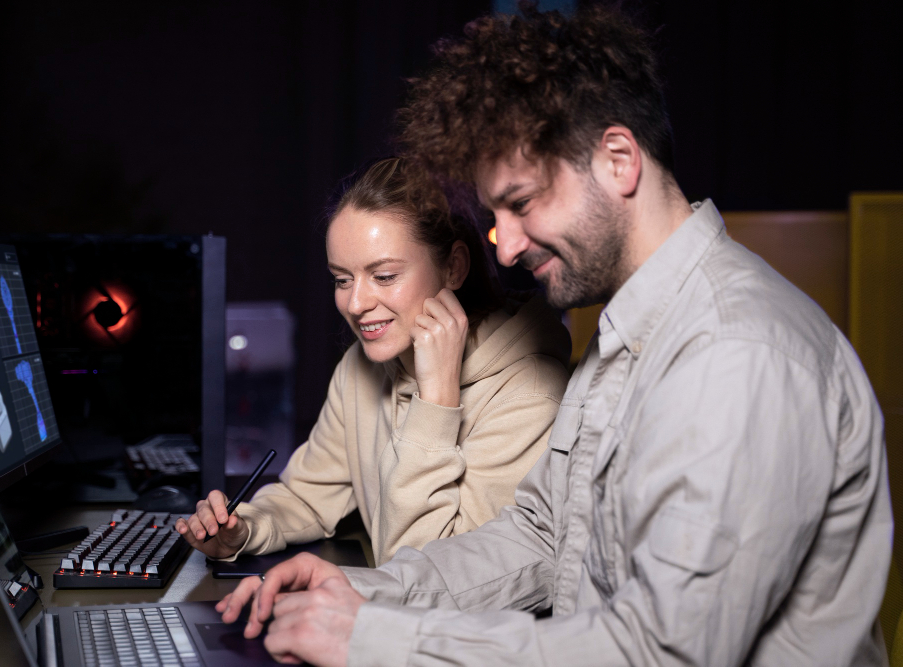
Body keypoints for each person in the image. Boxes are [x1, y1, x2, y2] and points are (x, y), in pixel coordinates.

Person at [214, 5, 893, 666]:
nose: (505, 248)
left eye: (522, 203)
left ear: (618, 160)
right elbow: (540, 536)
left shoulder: (737, 354)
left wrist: (374, 641)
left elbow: (662, 651)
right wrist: (366, 591)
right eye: (495, 215)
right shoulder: (625, 337)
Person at [176, 156, 571, 566]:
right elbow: (308, 497)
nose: (356, 304)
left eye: (384, 276)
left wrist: (436, 401)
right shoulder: (359, 368)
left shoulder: (529, 396)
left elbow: (426, 574)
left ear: (453, 268)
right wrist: (244, 529)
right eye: (342, 279)